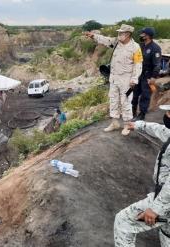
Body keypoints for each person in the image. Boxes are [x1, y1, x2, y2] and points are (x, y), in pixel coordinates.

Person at [114, 105, 170, 247]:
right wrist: (138, 125)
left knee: (123, 222)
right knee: (167, 234)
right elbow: (160, 130)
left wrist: (156, 209)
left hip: (166, 201)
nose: (167, 116)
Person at [85, 24, 143, 136]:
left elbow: (138, 64)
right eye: (119, 32)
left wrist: (134, 79)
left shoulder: (135, 47)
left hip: (126, 80)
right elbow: (105, 40)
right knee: (113, 100)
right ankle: (115, 123)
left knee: (125, 102)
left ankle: (127, 125)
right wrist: (93, 36)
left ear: (128, 34)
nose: (119, 34)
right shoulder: (116, 42)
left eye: (121, 33)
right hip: (114, 78)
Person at [132, 27, 162, 121]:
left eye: (143, 34)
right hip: (138, 74)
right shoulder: (140, 46)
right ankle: (133, 113)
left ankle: (142, 115)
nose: (141, 35)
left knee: (145, 95)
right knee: (135, 94)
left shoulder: (155, 48)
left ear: (148, 36)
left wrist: (153, 77)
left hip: (148, 76)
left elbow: (157, 64)